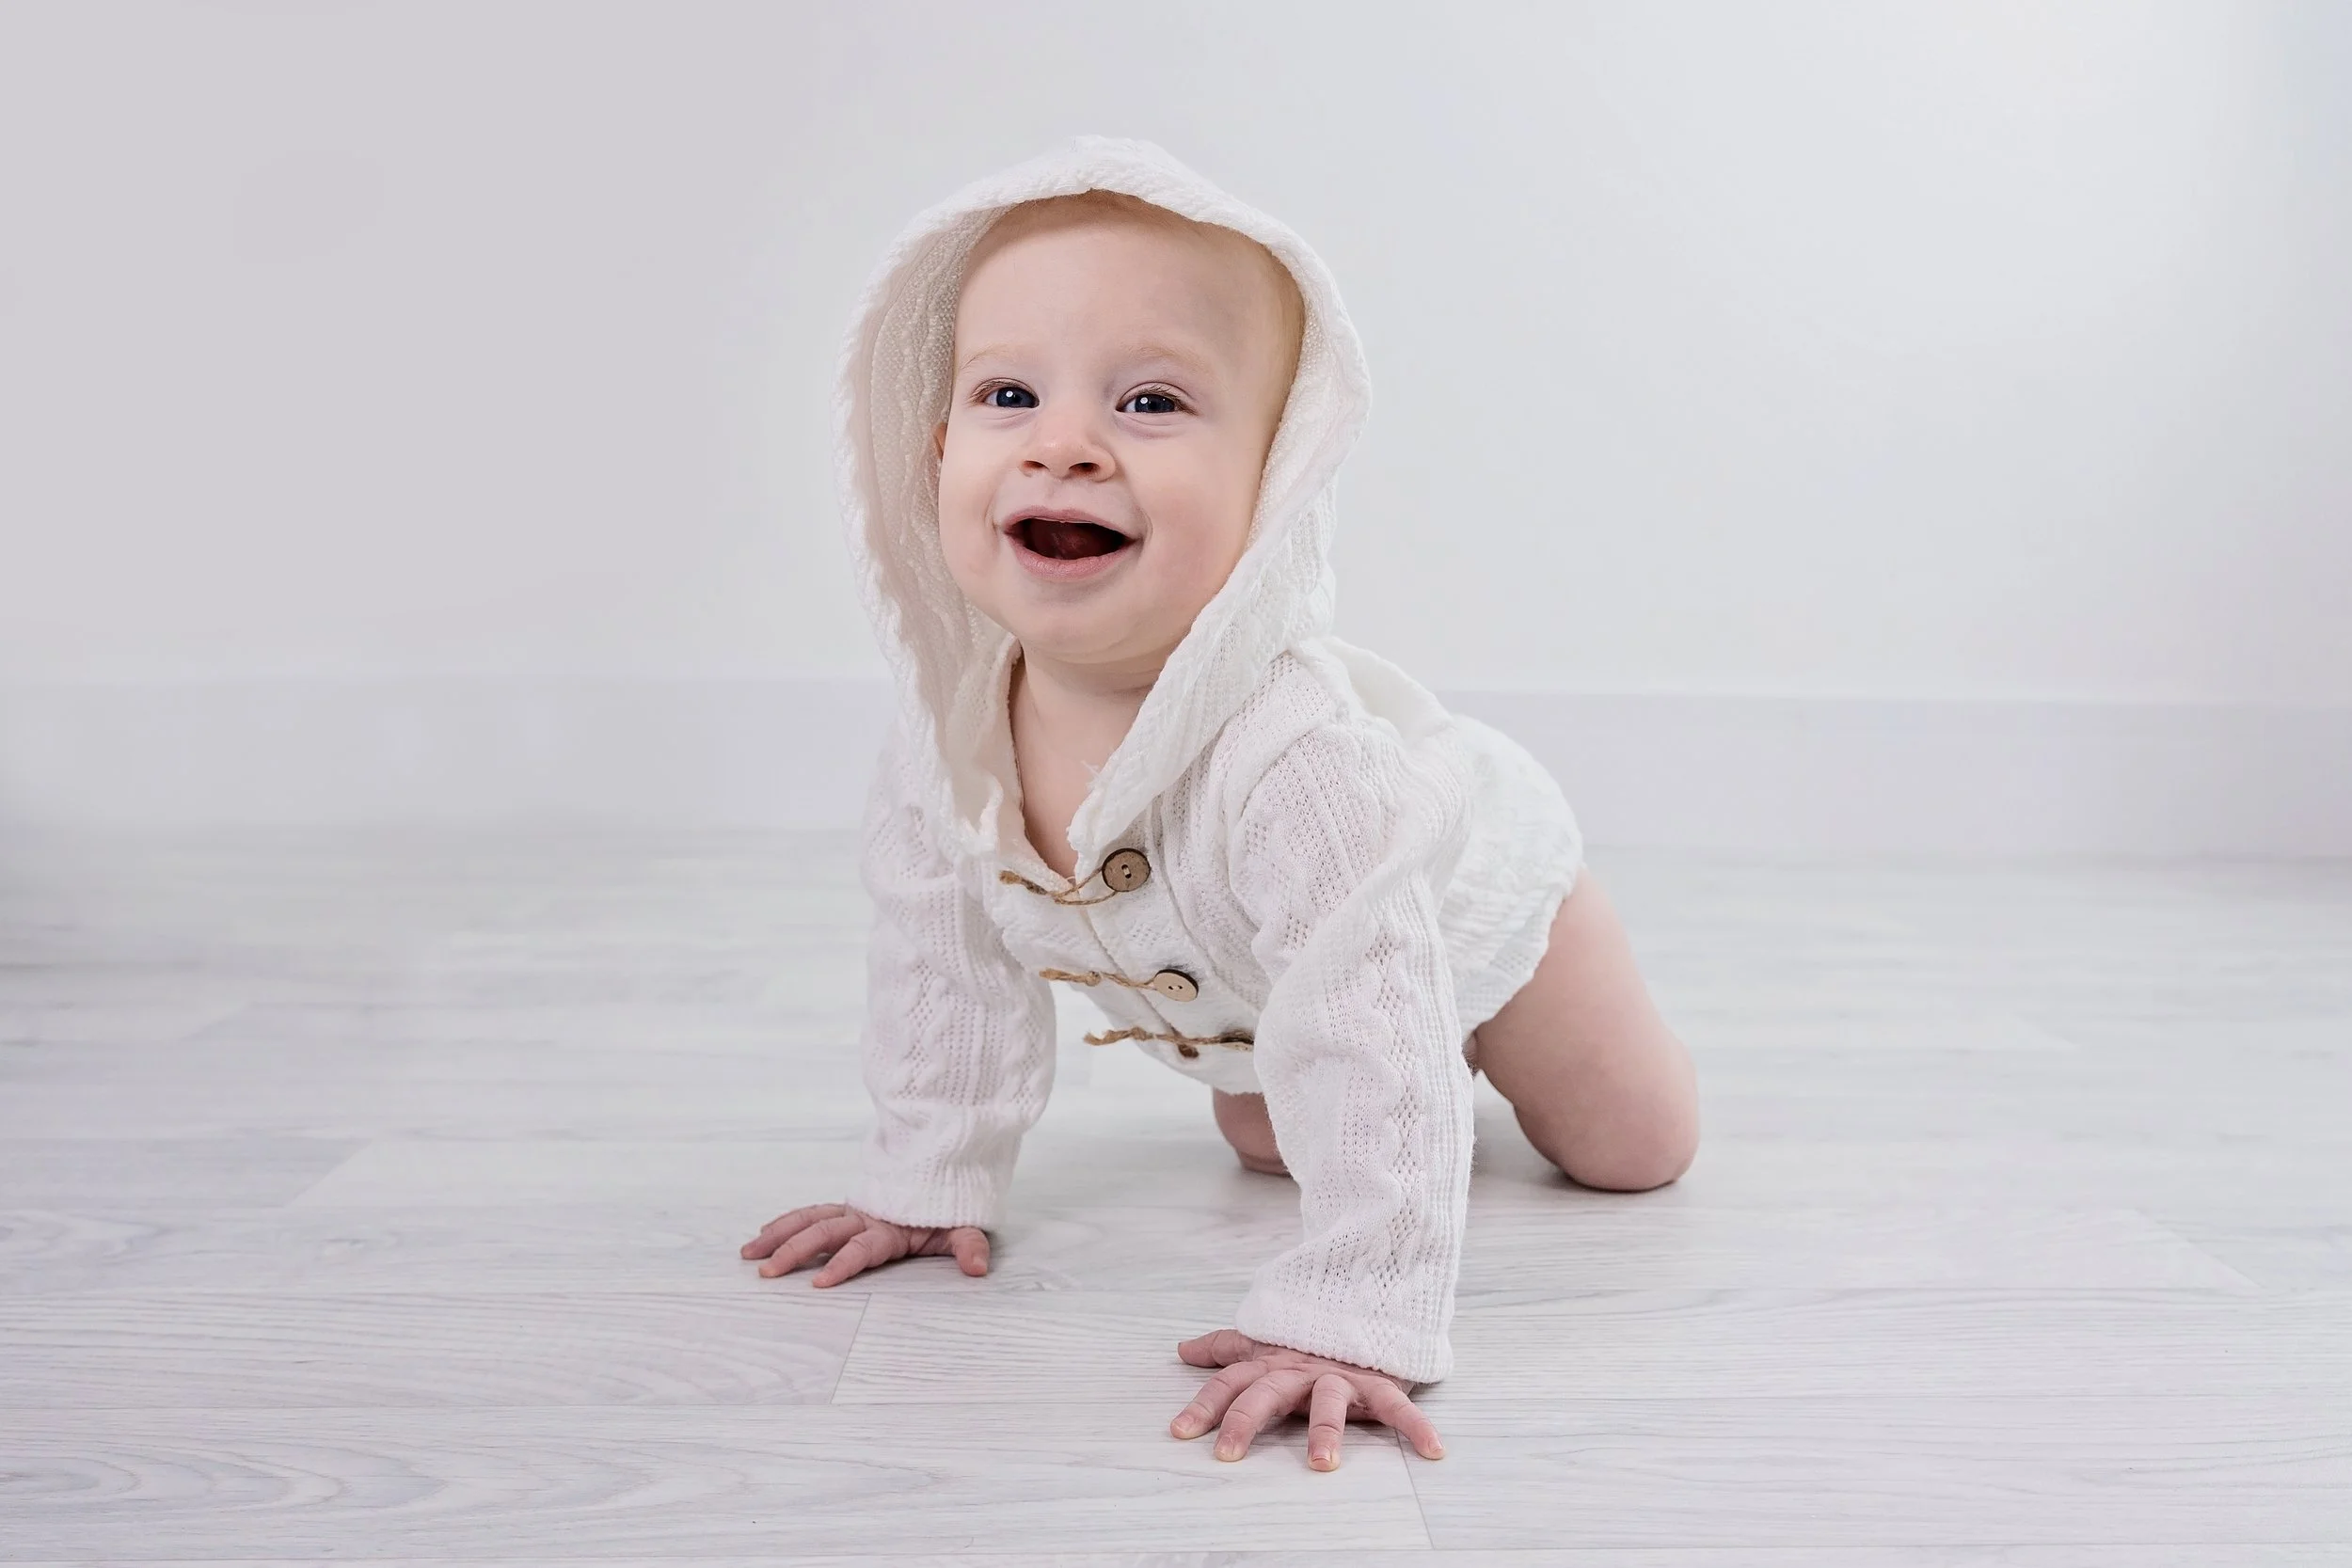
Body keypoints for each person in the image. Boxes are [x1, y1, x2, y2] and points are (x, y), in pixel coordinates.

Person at [742, 137, 1697, 1471]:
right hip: (1257, 991)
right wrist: (928, 1177)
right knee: (1271, 1137)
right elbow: (943, 966)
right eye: (1009, 393)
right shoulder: (947, 734)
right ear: (937, 446)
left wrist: (1355, 1310)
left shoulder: (1292, 757)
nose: (1064, 445)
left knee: (1628, 1148)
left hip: (1462, 888)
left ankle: (1473, 1037)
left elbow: (1358, 1011)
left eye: (1150, 403)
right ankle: (1401, 1081)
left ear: (1276, 476)